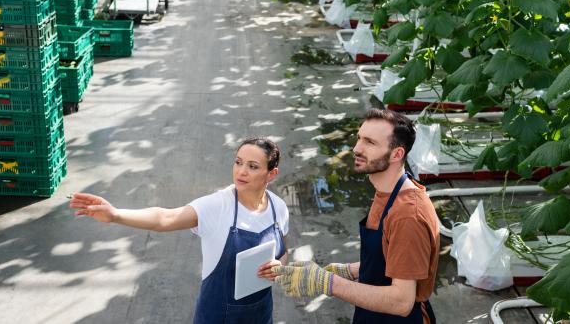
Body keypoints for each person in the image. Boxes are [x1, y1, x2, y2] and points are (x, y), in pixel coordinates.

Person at [69, 137, 288, 324]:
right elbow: (166, 217)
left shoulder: (278, 207)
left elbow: (282, 251)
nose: (241, 171)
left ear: (271, 174)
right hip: (218, 317)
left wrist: (280, 266)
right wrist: (115, 214)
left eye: (253, 166)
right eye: (238, 162)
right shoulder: (218, 206)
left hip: (260, 314)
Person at [273, 109, 439, 323]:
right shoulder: (388, 191)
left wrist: (328, 282)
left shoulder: (407, 216)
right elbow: (391, 257)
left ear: (397, 154)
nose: (356, 148)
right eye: (359, 138)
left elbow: (401, 302)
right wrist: (348, 271)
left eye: (370, 142)